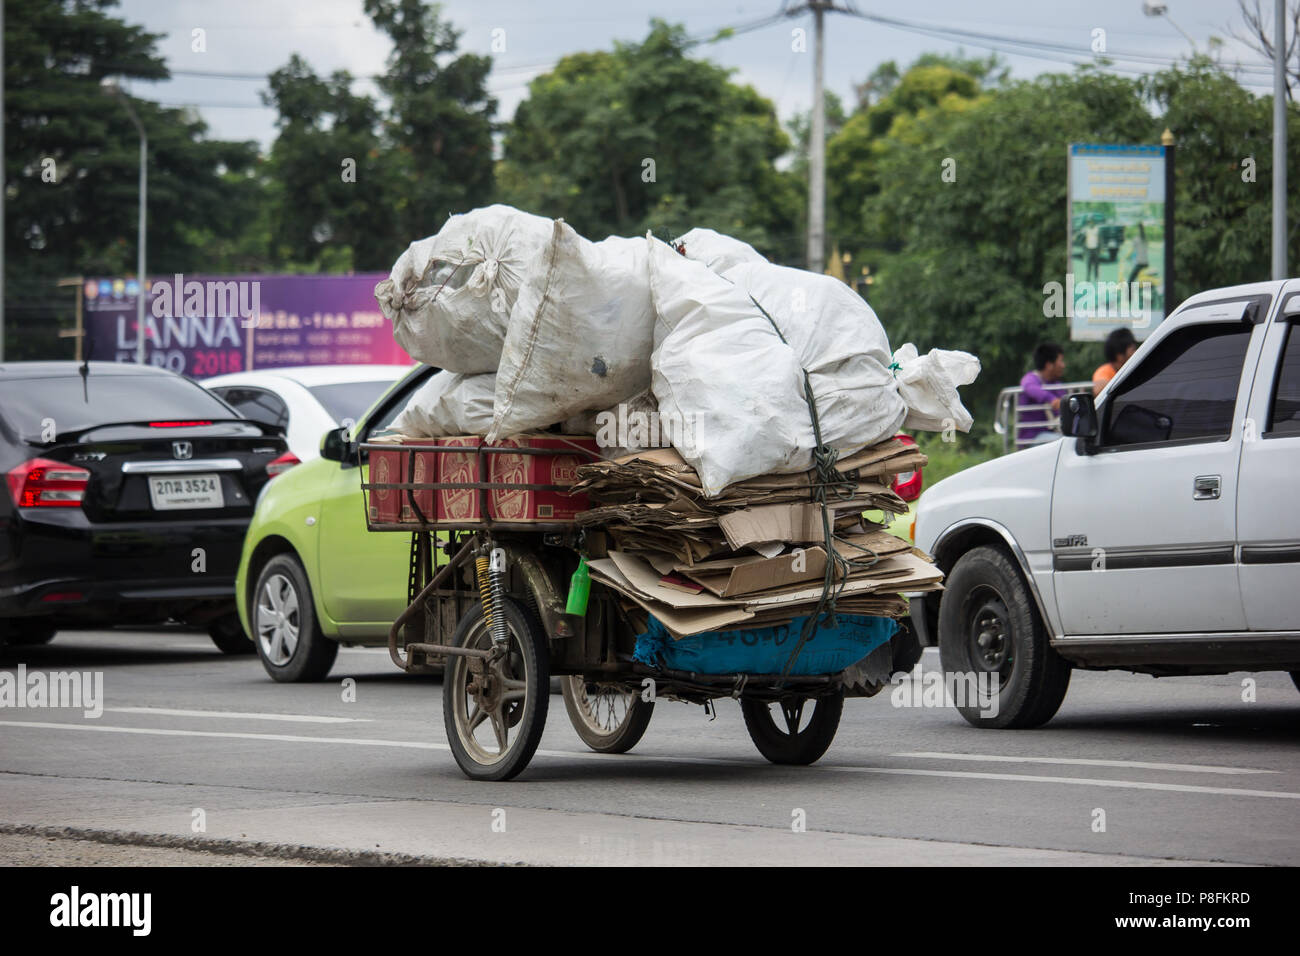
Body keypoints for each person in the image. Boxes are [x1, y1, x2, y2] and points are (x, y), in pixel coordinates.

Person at [1017, 343, 1067, 444]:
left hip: (1052, 433)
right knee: (1063, 442)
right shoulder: (1031, 379)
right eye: (1060, 361)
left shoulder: (1056, 384)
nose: (1063, 365)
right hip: (1032, 436)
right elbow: (1029, 387)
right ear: (1049, 365)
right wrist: (1052, 400)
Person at [1092, 327, 1137, 397]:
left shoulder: (1133, 369)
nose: (1136, 353)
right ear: (1119, 355)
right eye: (1132, 350)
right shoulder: (1104, 371)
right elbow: (1098, 389)